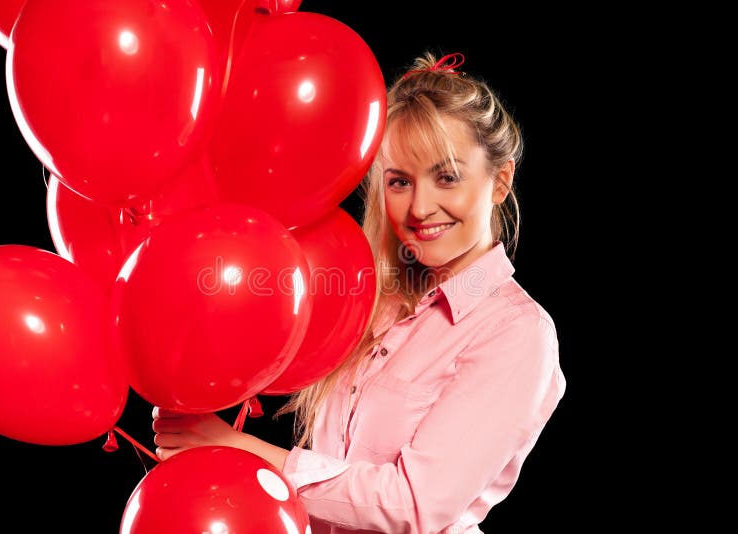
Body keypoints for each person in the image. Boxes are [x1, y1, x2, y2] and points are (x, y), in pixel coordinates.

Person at [152, 51, 567, 533]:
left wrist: (241, 449)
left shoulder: (517, 334)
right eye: (399, 181)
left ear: (500, 182)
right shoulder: (370, 297)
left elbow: (415, 505)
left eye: (447, 177)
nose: (420, 207)